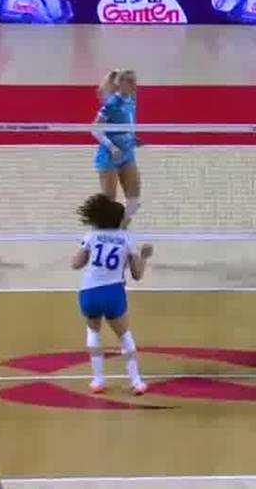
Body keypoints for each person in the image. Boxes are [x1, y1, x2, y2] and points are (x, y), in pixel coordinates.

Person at [72, 193, 153, 395]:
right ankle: (136, 382)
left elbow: (76, 264)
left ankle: (98, 380)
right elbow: (137, 274)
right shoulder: (127, 239)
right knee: (124, 335)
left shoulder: (91, 236)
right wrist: (144, 257)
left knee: (93, 332)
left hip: (89, 292)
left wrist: (87, 248)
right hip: (113, 292)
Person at [91, 70, 141, 227]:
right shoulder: (111, 103)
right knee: (109, 202)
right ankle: (103, 232)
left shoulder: (132, 100)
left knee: (134, 199)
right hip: (109, 157)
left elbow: (126, 125)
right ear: (121, 84)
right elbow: (95, 129)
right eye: (130, 82)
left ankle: (121, 229)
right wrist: (112, 148)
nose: (134, 85)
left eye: (135, 81)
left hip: (128, 154)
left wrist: (132, 137)